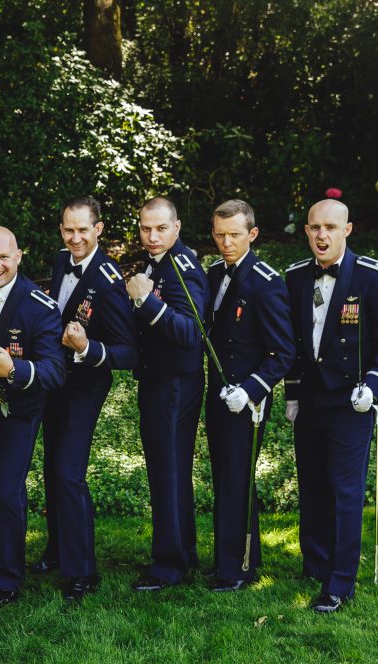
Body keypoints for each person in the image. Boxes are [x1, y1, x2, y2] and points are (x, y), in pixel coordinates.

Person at [284, 198, 378, 613]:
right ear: (306, 231)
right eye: (315, 227)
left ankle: (340, 582)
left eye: (331, 228)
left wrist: (374, 386)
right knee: (313, 485)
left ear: (347, 230)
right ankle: (316, 564)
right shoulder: (296, 277)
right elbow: (295, 347)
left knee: (345, 490)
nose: (322, 235)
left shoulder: (374, 276)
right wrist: (293, 394)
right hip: (313, 400)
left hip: (352, 401)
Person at [32, 197, 138, 601]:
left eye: (82, 230)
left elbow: (127, 353)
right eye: (67, 229)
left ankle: (83, 572)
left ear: (98, 229)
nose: (74, 238)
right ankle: (57, 550)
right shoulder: (61, 261)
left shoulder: (110, 281)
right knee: (51, 465)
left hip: (86, 383)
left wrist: (86, 347)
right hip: (53, 379)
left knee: (69, 471)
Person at [0, 226, 66, 606]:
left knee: (6, 492)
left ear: (19, 256)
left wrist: (15, 370)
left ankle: (7, 580)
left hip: (17, 414)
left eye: (4, 257)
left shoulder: (39, 305)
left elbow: (55, 371)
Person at [203, 200, 294, 592]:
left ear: (252, 234)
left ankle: (236, 569)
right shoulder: (212, 274)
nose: (226, 242)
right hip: (218, 394)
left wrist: (251, 389)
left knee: (237, 478)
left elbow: (284, 352)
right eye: (220, 235)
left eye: (235, 235)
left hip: (247, 399)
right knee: (224, 476)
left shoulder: (266, 281)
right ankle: (237, 557)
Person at [125, 197, 207, 591]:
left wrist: (147, 301)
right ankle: (180, 552)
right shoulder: (155, 263)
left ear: (176, 228)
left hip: (176, 384)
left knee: (170, 473)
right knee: (166, 473)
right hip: (158, 381)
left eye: (160, 228)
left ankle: (170, 567)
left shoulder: (182, 267)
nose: (152, 236)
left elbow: (193, 333)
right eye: (145, 228)